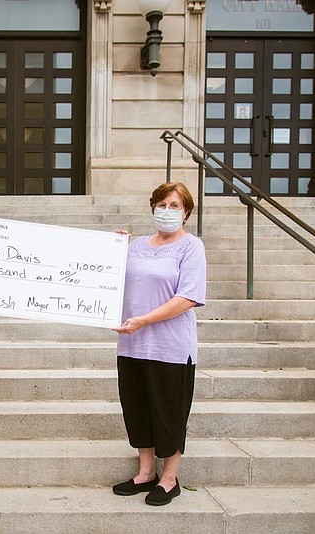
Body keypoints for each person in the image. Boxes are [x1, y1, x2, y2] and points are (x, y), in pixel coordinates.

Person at [111, 181, 206, 506]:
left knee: (168, 413)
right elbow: (109, 280)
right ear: (152, 208)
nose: (167, 211)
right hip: (132, 345)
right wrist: (111, 249)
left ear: (186, 212)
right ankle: (145, 472)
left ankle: (169, 479)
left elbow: (187, 298)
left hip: (171, 348)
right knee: (138, 408)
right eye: (162, 205)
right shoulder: (136, 245)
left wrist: (145, 320)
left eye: (174, 206)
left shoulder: (191, 247)